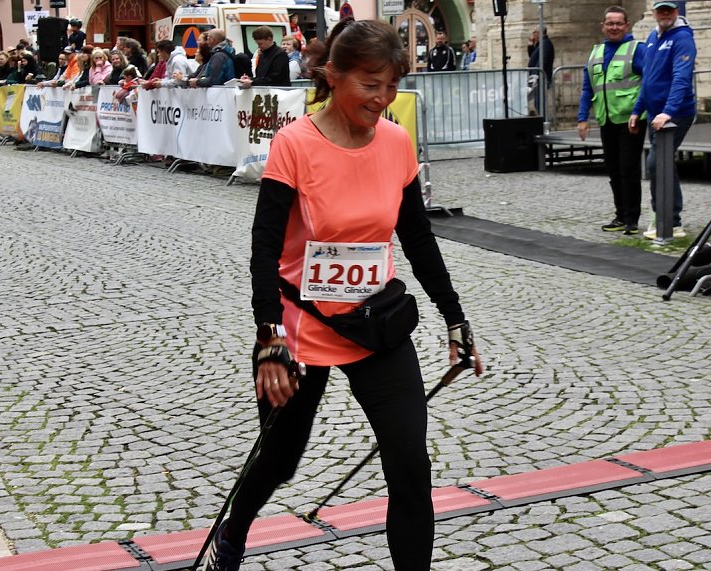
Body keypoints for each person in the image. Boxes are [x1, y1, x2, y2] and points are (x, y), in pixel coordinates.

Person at [199, 17, 483, 571]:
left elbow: (417, 237)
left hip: (375, 322)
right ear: (333, 75)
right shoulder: (295, 143)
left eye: (391, 85)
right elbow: (264, 248)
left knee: (409, 465)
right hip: (303, 326)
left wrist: (455, 317)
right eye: (370, 84)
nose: (382, 99)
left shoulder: (397, 142)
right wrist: (268, 337)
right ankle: (233, 535)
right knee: (280, 459)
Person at [629, 0, 697, 240]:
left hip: (675, 113)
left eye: (669, 9)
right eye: (661, 10)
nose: (665, 13)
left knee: (656, 162)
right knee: (663, 163)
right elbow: (648, 78)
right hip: (655, 113)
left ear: (677, 12)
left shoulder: (682, 38)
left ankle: (667, 218)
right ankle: (668, 217)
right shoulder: (652, 37)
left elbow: (681, 77)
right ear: (654, 12)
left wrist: (668, 111)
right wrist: (638, 109)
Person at [578, 6, 647, 236]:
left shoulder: (637, 49)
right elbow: (588, 87)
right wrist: (582, 118)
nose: (614, 27)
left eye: (618, 23)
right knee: (614, 170)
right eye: (610, 23)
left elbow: (648, 83)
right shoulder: (596, 52)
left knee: (629, 169)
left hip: (630, 120)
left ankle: (632, 218)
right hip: (607, 120)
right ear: (603, 26)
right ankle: (620, 215)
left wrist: (639, 111)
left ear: (626, 26)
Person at [527, 27, 555, 115]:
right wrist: (531, 45)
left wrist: (536, 73)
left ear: (539, 33)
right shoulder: (540, 44)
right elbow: (532, 56)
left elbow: (543, 60)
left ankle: (544, 121)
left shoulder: (546, 44)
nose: (533, 34)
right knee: (537, 102)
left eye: (534, 32)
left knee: (540, 102)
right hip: (537, 77)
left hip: (541, 77)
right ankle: (543, 120)